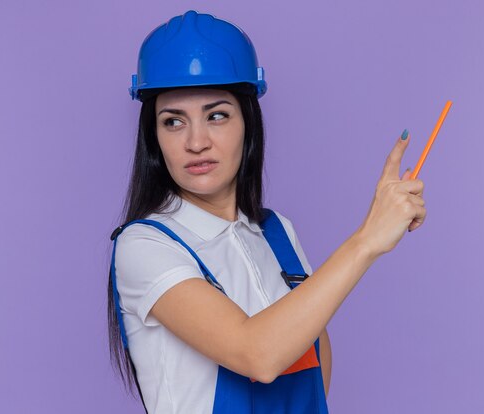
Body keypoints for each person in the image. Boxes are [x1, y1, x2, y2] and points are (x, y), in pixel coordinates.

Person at [107, 10, 426, 414]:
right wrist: (367, 241)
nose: (196, 141)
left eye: (217, 115)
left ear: (248, 124)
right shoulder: (144, 245)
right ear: (155, 138)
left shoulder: (276, 232)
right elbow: (256, 353)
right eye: (173, 122)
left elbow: (315, 365)